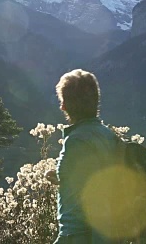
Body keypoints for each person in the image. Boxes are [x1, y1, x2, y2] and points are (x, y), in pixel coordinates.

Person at [46, 69, 120, 244]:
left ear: (63, 106)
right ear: (96, 102)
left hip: (77, 235)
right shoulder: (109, 136)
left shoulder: (75, 141)